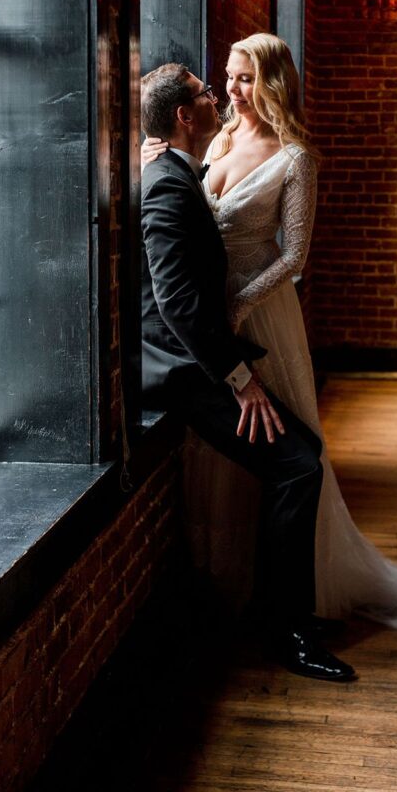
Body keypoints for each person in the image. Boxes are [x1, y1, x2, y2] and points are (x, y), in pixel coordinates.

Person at [143, 32, 397, 638]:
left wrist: (240, 308)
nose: (229, 89)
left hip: (258, 315)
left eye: (244, 78)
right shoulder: (211, 142)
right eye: (224, 77)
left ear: (274, 81)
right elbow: (179, 229)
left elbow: (296, 257)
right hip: (205, 326)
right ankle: (236, 587)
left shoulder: (295, 156)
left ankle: (294, 598)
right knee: (239, 459)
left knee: (289, 447)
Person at [140, 61, 355, 682]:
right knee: (299, 461)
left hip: (208, 353)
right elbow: (178, 305)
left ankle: (276, 607)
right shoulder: (167, 183)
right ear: (186, 116)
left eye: (230, 81)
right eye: (207, 92)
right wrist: (240, 380)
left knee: (298, 458)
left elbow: (284, 251)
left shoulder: (181, 169)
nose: (219, 95)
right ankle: (289, 631)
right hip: (185, 370)